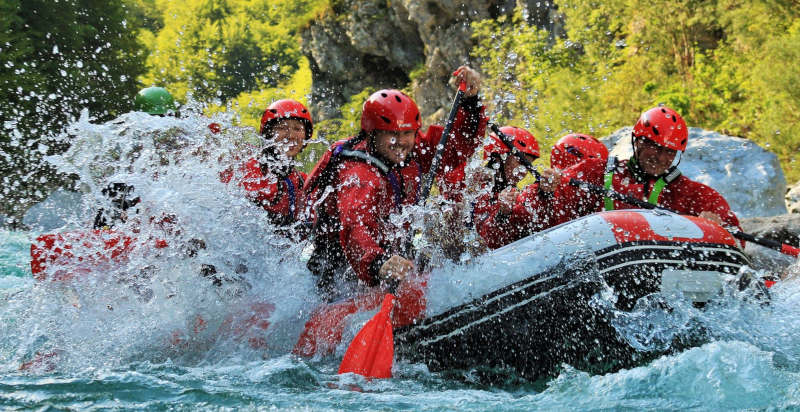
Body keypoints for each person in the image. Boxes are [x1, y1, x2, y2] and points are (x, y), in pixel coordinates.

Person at [304, 66, 487, 300]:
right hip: (341, 268)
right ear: (372, 133)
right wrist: (378, 263)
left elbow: (458, 147)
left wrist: (470, 103)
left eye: (407, 133)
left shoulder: (416, 148)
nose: (401, 142)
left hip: (393, 252)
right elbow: (356, 226)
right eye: (392, 135)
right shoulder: (359, 174)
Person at [538, 106, 741, 230]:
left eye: (669, 152)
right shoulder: (595, 172)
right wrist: (545, 191)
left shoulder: (688, 193)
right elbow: (545, 209)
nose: (661, 158)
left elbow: (733, 231)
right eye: (655, 147)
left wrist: (719, 226)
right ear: (638, 141)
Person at [220, 99, 312, 231]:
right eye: (282, 128)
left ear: (305, 137)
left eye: (297, 129)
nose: (291, 135)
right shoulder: (244, 167)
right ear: (268, 134)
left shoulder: (303, 182)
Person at [470, 126, 547, 249]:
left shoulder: (514, 193)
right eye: (520, 161)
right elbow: (484, 241)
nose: (524, 170)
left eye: (528, 164)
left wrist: (545, 194)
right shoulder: (477, 191)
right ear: (498, 158)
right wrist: (502, 214)